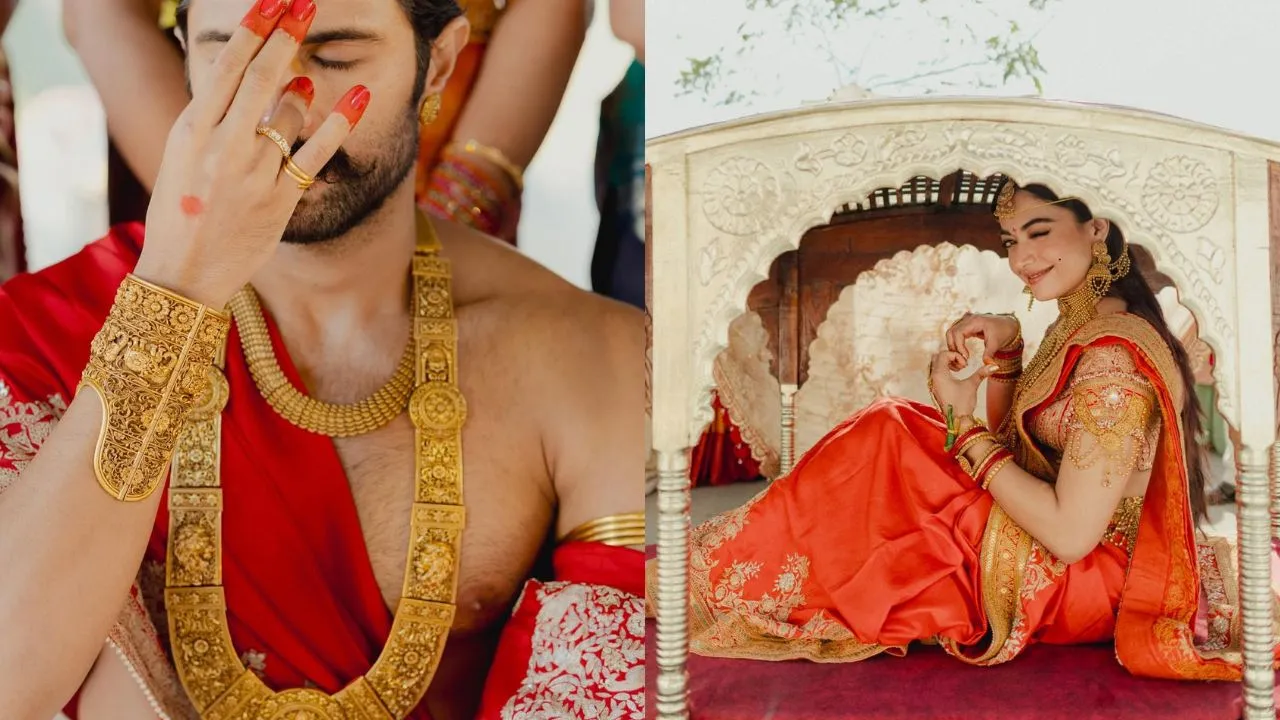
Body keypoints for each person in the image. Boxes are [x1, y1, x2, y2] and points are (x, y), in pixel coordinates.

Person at [0, 2, 643, 719]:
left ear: (437, 62)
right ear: (184, 52)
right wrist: (176, 293)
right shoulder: (41, 336)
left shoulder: (588, 357)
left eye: (336, 56)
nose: (284, 112)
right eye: (234, 55)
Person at [649, 178, 1277, 679]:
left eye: (1039, 232)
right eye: (1010, 240)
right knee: (893, 431)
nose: (1022, 258)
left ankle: (731, 571)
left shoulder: (1113, 358)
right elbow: (1024, 455)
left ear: (1097, 227)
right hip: (1056, 541)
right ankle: (743, 562)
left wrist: (962, 422)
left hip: (1091, 578)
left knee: (895, 447)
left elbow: (1069, 534)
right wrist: (1006, 355)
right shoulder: (1081, 324)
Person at [63, 0, 588, 244]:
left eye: (334, 56)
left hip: (454, 118)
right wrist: (207, 195)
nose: (291, 116)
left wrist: (462, 201)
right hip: (177, 106)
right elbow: (100, 10)